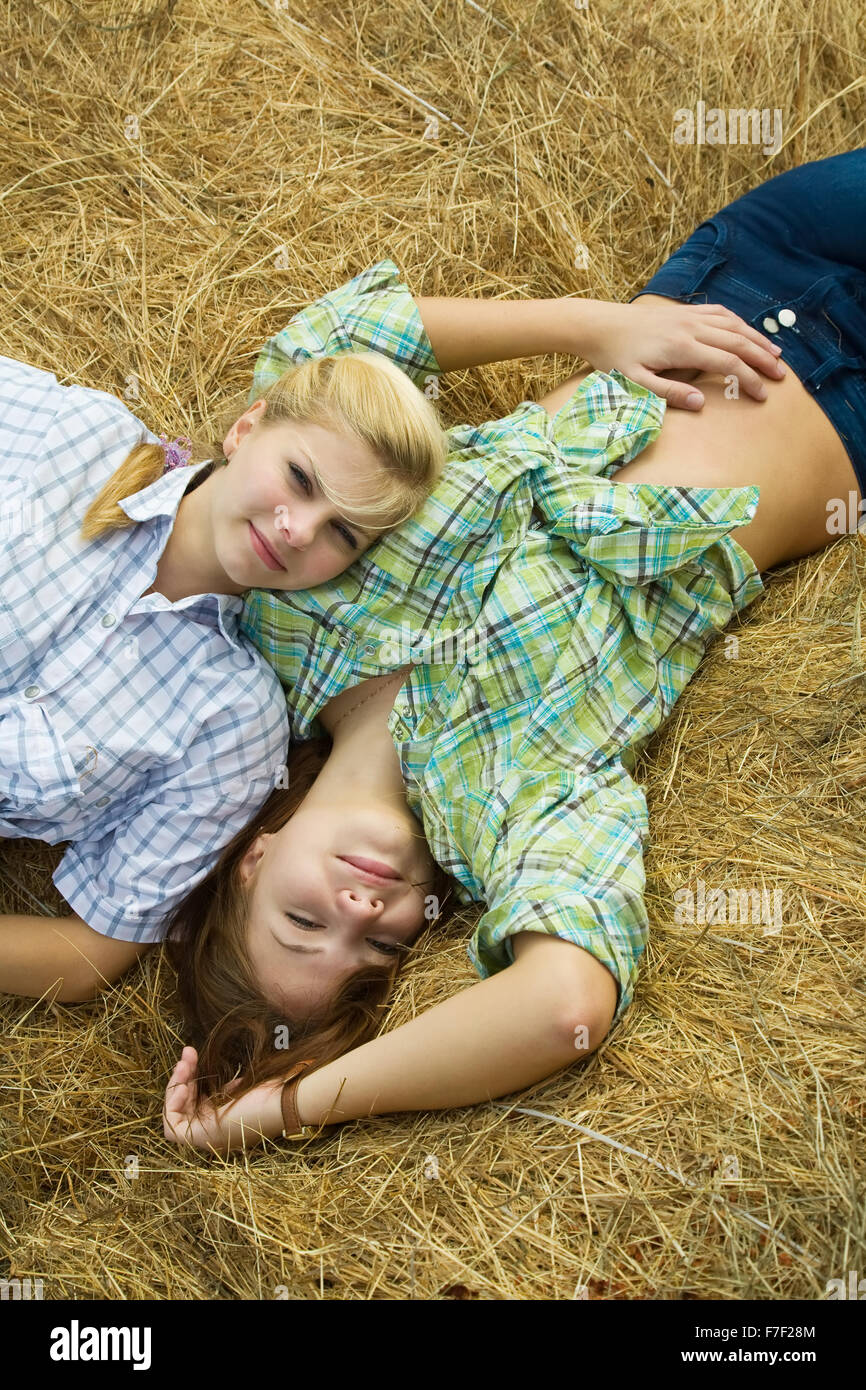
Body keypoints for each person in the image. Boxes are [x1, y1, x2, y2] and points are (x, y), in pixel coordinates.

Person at [162, 148, 866, 1155]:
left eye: (303, 923)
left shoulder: (286, 623)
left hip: (746, 272)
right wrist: (284, 1106)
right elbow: (558, 1004)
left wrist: (597, 325)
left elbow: (337, 345)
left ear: (253, 861)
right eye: (376, 944)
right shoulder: (512, 812)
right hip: (850, 424)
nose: (357, 910)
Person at [0, 312, 448, 1002]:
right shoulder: (75, 439)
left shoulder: (232, 720)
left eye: (343, 534)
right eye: (300, 478)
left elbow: (90, 952)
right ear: (246, 429)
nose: (298, 531)